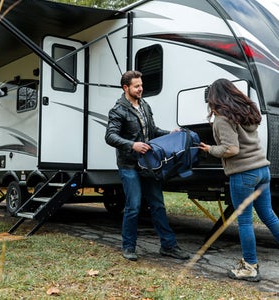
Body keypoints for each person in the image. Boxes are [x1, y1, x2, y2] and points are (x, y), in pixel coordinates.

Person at [199, 78, 279, 282]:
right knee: (268, 216)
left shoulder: (223, 118)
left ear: (214, 97)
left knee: (244, 222)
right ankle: (250, 265)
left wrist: (210, 149)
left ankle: (250, 267)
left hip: (244, 173)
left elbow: (231, 149)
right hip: (262, 169)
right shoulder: (246, 112)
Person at [105, 70, 190, 261]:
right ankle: (128, 247)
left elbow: (152, 131)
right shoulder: (118, 110)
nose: (141, 88)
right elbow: (110, 136)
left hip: (148, 165)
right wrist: (132, 145)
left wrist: (171, 133)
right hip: (128, 165)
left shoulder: (144, 105)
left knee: (158, 204)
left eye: (141, 85)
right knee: (133, 206)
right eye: (136, 86)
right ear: (126, 88)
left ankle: (168, 246)